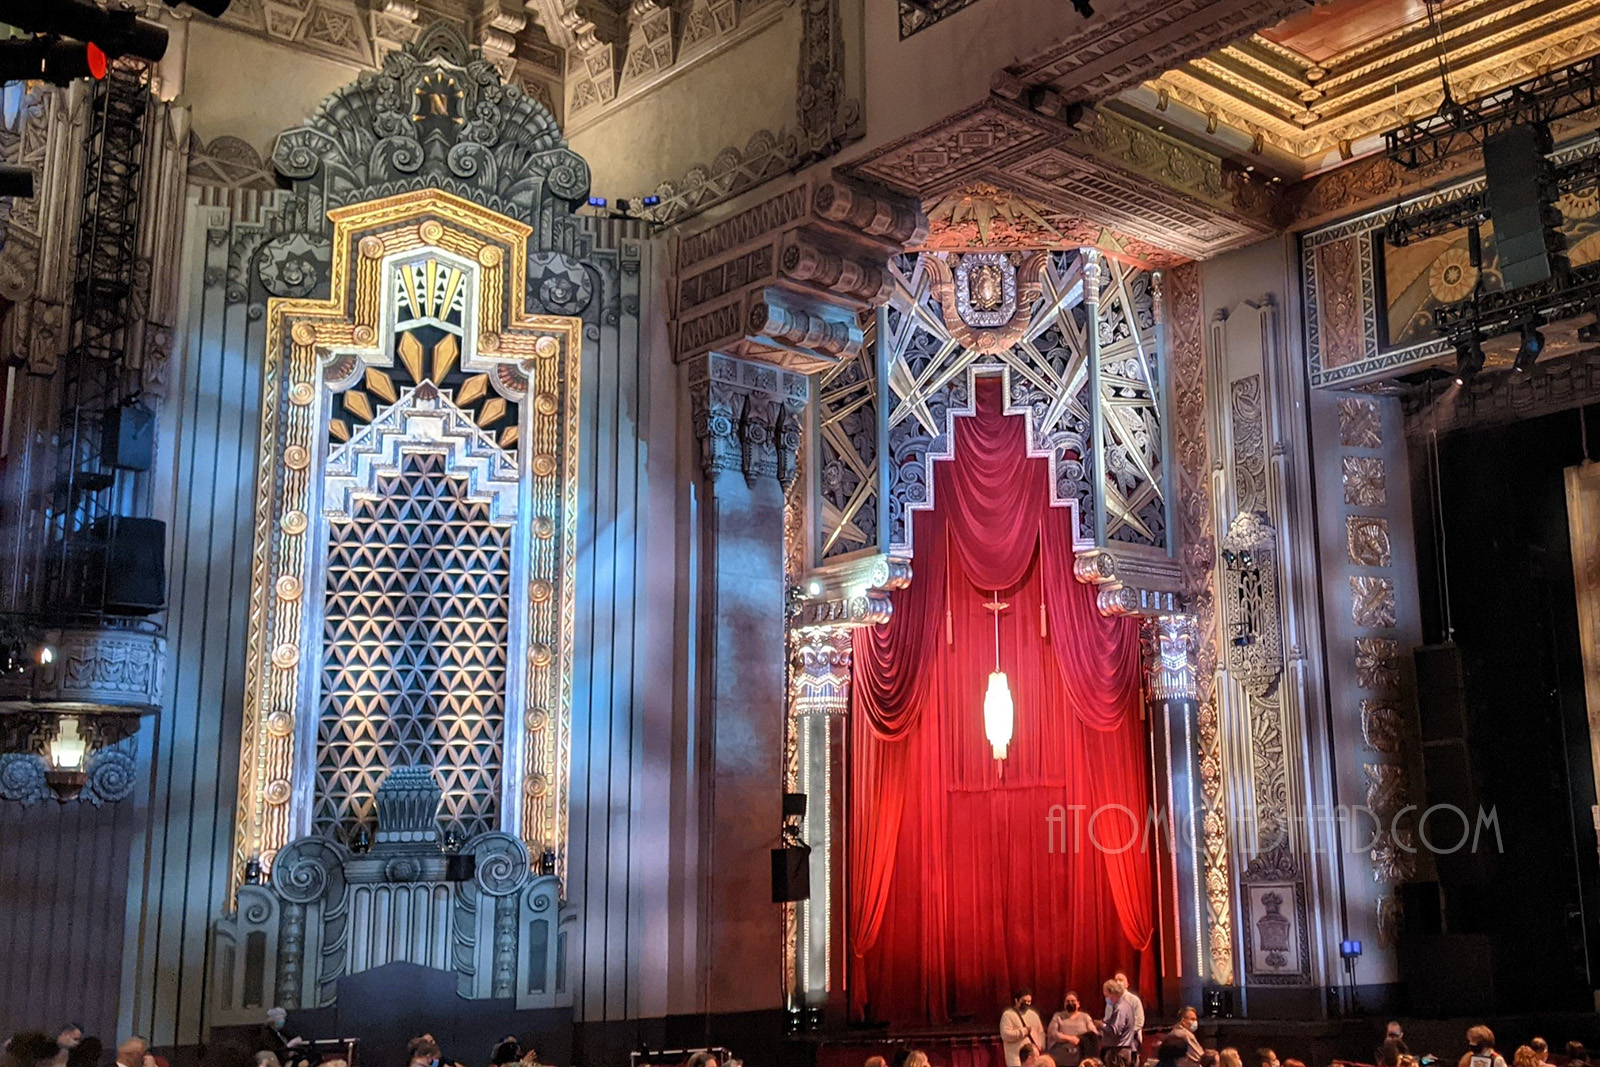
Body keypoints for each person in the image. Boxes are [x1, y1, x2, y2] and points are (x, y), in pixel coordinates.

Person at [1047, 992, 1099, 1066]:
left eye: (1073, 1001)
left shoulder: (1085, 1017)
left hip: (1081, 1051)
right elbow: (1053, 1033)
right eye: (1067, 1001)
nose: (1070, 1003)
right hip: (1062, 1051)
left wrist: (1081, 1039)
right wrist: (1069, 1038)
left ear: (1078, 1004)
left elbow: (1093, 1033)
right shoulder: (1058, 1016)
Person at [1003, 989, 1047, 1067]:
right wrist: (1023, 1031)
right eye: (1024, 1001)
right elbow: (1005, 1035)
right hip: (1015, 1058)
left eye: (1029, 1001)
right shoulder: (1008, 1015)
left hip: (1033, 1058)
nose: (1027, 1004)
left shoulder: (1033, 1015)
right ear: (1017, 1000)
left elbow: (1041, 1032)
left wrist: (1040, 1045)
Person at [1101, 980, 1140, 1067]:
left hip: (1118, 1052)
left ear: (1112, 993)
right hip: (1119, 1051)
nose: (1105, 997)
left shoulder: (1120, 1008)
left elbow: (1115, 1031)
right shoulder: (1122, 1006)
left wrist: (1101, 1025)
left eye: (1106, 995)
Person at [1113, 973, 1145, 1048]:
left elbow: (1139, 1021)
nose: (1118, 982)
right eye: (1115, 980)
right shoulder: (1111, 1000)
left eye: (1120, 980)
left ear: (1127, 985)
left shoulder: (1134, 1000)